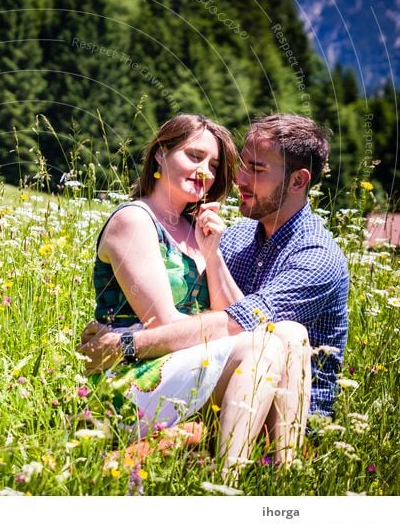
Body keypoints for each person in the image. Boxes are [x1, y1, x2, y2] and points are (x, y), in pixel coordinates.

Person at [83, 113, 349, 465]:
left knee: (287, 333)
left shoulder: (317, 257)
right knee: (271, 338)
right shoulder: (226, 236)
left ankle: (280, 471)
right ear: (160, 154)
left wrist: (123, 345)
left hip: (285, 415)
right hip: (178, 377)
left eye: (255, 168)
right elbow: (230, 325)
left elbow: (243, 321)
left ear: (298, 181)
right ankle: (228, 475)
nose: (235, 177)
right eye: (195, 157)